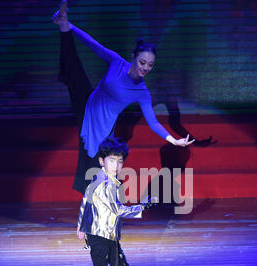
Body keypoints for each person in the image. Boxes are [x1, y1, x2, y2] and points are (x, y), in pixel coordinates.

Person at [52, 1, 195, 194]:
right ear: (133, 57)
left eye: (150, 65)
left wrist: (174, 140)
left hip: (104, 126)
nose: (145, 67)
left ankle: (99, 212)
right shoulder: (116, 62)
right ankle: (63, 24)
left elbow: (153, 122)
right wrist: (70, 27)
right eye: (142, 62)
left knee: (98, 170)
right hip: (89, 102)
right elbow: (93, 44)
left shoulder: (142, 92)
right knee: (74, 70)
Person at [76, 137, 156, 266]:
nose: (117, 165)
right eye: (112, 160)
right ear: (102, 161)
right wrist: (142, 207)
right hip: (100, 236)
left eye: (120, 161)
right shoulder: (106, 184)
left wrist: (80, 226)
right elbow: (118, 210)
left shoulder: (102, 179)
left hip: (109, 235)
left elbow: (86, 202)